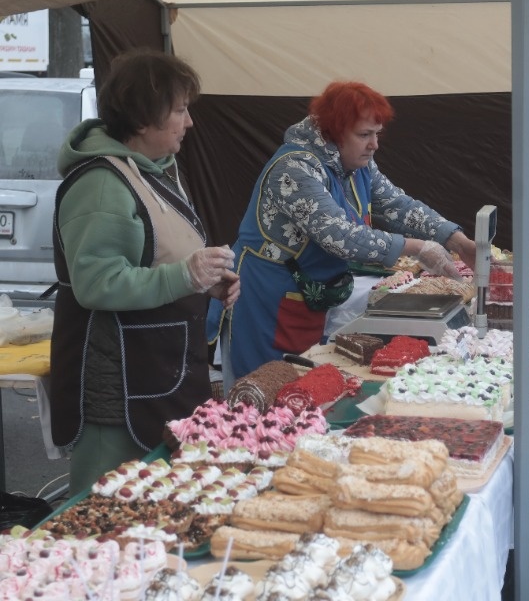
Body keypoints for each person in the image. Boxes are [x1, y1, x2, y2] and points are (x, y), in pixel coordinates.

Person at [50, 49, 241, 495]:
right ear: (142, 118)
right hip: (118, 387)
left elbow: (159, 258)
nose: (189, 122)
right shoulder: (101, 183)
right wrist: (185, 277)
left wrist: (206, 282)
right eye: (179, 110)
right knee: (100, 517)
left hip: (161, 373)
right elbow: (98, 283)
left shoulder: (153, 171)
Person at [207, 81, 476, 384]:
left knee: (305, 391)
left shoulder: (358, 163)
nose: (374, 144)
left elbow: (396, 204)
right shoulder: (294, 169)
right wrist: (416, 247)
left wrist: (456, 239)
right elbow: (342, 236)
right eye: (364, 135)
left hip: (306, 294)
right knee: (265, 393)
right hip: (264, 298)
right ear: (334, 133)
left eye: (377, 134)